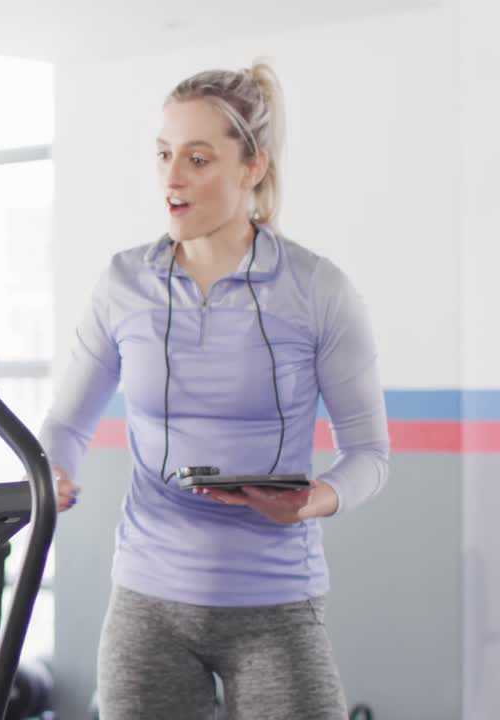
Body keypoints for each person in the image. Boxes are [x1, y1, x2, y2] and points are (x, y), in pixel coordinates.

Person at [39, 62, 390, 720]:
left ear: (252, 166)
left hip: (277, 606)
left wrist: (315, 499)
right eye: (165, 155)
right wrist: (55, 470)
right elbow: (68, 422)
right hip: (147, 604)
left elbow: (370, 453)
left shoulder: (316, 289)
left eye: (198, 159)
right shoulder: (124, 283)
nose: (172, 178)